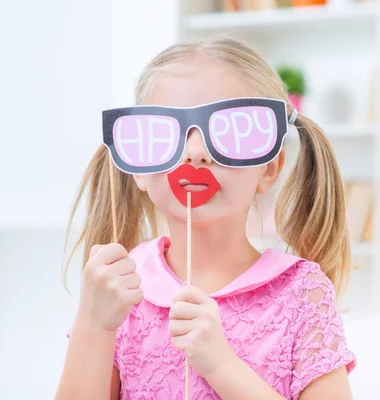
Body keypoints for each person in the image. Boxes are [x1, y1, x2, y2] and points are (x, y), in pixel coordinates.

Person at [56, 37, 356, 400]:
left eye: (228, 133)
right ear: (139, 167)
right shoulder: (121, 289)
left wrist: (220, 366)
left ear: (269, 169)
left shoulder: (302, 293)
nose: (196, 153)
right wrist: (93, 323)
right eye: (169, 135)